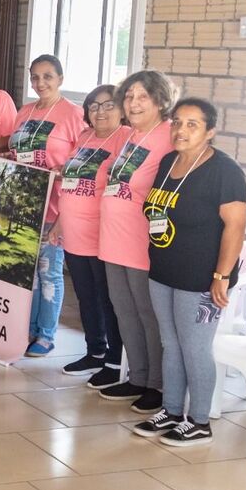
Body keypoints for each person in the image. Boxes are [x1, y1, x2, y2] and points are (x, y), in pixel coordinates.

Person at [132, 98, 246, 446]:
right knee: (171, 344)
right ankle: (171, 410)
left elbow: (236, 227)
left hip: (202, 277)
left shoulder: (224, 171)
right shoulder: (168, 162)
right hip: (164, 269)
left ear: (210, 131)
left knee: (195, 348)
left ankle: (199, 421)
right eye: (178, 122)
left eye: (192, 124)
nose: (181, 130)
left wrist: (221, 276)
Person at [97, 70, 177, 413]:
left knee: (148, 313)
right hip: (113, 237)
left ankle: (158, 385)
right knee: (123, 309)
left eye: (142, 97)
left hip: (142, 240)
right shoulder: (130, 135)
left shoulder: (169, 137)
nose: (133, 103)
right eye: (129, 97)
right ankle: (138, 377)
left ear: (160, 100)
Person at [6, 55, 86, 357]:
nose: (41, 83)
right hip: (24, 203)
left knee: (49, 271)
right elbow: (16, 154)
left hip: (56, 207)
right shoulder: (24, 112)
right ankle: (30, 329)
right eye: (35, 77)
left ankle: (47, 334)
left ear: (61, 79)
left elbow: (82, 162)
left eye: (48, 76)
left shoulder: (72, 114)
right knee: (28, 273)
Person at [57, 85, 130, 388]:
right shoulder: (85, 138)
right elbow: (72, 183)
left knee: (108, 300)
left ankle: (114, 362)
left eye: (108, 105)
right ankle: (95, 351)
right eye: (94, 106)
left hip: (104, 235)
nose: (100, 111)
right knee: (86, 297)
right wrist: (58, 224)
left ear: (122, 109)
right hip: (74, 233)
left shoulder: (126, 139)